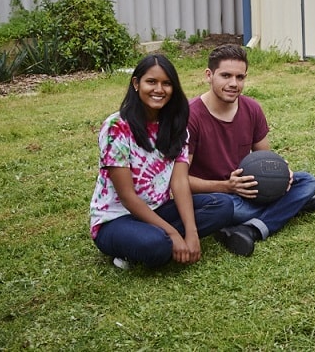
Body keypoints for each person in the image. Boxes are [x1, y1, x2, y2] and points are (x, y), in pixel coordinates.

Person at [187, 44, 315, 257]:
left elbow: (266, 159)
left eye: (240, 77)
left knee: (306, 181)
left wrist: (282, 173)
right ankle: (290, 207)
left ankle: (251, 228)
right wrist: (227, 186)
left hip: (249, 189)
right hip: (217, 197)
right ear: (209, 75)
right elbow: (180, 181)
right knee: (226, 209)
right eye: (226, 75)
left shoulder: (252, 109)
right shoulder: (191, 116)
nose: (233, 83)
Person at [90, 54, 233, 269]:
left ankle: (155, 240)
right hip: (116, 219)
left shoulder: (176, 125)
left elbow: (180, 182)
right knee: (157, 244)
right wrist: (173, 232)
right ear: (136, 84)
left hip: (159, 208)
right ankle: (142, 245)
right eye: (151, 82)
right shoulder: (116, 126)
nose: (159, 89)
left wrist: (192, 232)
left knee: (223, 206)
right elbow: (127, 197)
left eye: (166, 83)